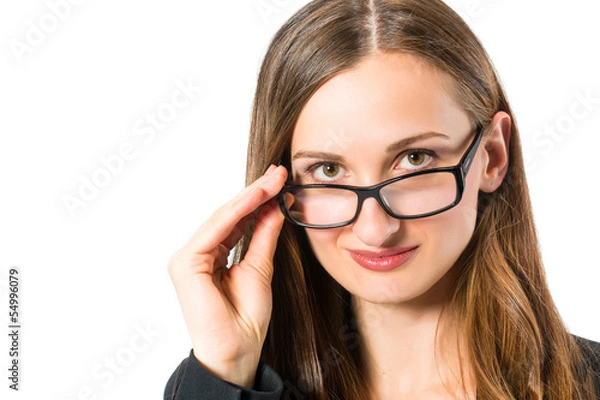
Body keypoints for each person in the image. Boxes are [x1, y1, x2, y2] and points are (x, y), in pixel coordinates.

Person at [164, 0, 600, 398]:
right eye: (329, 171)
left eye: (415, 159)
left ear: (492, 156)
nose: (375, 228)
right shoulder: (224, 385)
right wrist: (226, 370)